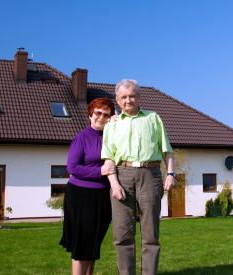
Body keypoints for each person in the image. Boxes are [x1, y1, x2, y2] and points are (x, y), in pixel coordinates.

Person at [101, 79, 175, 275]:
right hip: (121, 175)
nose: (128, 100)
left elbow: (167, 150)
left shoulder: (153, 118)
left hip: (150, 175)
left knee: (150, 234)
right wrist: (114, 184)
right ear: (117, 100)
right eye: (124, 97)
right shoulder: (112, 125)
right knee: (122, 234)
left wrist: (170, 174)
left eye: (132, 96)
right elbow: (108, 158)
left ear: (139, 97)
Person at [60, 98, 117, 275]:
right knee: (82, 244)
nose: (101, 117)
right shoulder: (82, 137)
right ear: (90, 115)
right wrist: (100, 171)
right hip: (81, 195)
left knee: (93, 243)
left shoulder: (112, 136)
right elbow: (72, 168)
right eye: (97, 113)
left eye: (106, 114)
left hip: (102, 196)